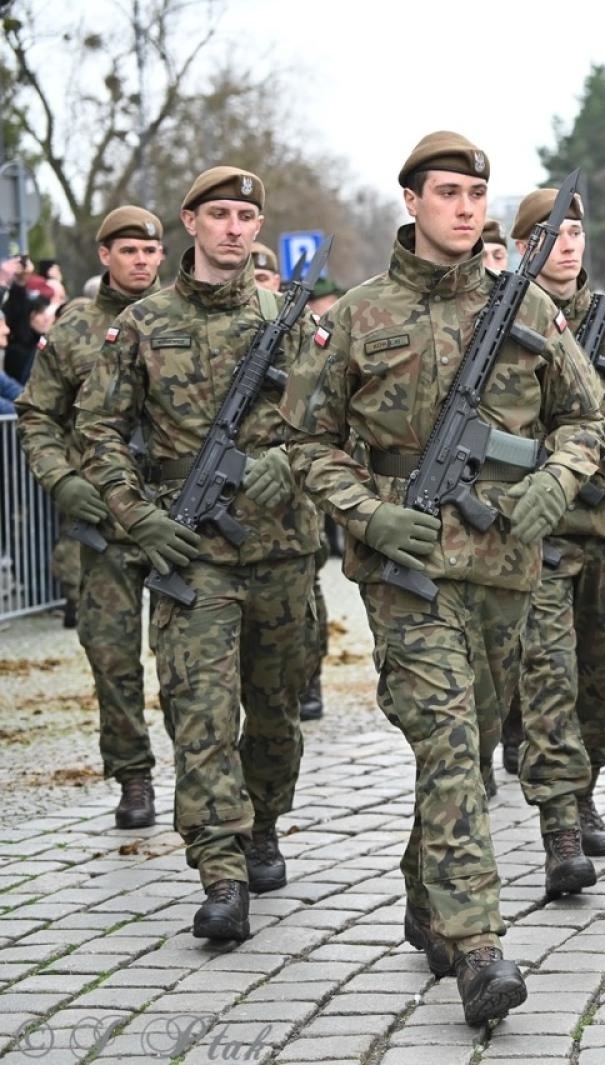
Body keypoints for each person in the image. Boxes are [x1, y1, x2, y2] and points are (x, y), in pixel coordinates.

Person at [279, 132, 605, 1026]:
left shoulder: (528, 304)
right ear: (414, 202)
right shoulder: (357, 315)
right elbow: (305, 442)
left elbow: (588, 420)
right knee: (452, 741)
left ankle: (428, 900)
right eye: (448, 192)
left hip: (503, 568)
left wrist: (552, 480)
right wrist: (368, 511)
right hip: (405, 569)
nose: (465, 207)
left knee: (467, 741)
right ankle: (480, 947)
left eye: (476, 193)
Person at [77, 167, 322, 938]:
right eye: (218, 213)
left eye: (246, 215)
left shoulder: (291, 319)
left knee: (276, 713)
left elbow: (338, 417)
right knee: (201, 716)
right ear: (190, 221)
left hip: (282, 548)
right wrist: (137, 517)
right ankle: (220, 870)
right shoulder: (143, 324)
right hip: (190, 553)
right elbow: (98, 432)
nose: (233, 228)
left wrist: (294, 463)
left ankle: (265, 822)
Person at [505, 185, 605, 880]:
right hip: (534, 527)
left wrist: (602, 432)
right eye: (550, 234)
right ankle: (559, 821)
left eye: (574, 233)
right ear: (521, 246)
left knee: (596, 674)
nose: (567, 245)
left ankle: (585, 790)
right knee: (548, 675)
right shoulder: (503, 319)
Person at [16, 206, 167, 828]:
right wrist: (61, 479)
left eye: (149, 251)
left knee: (193, 663)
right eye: (127, 250)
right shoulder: (75, 327)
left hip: (177, 522)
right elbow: (36, 415)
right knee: (111, 657)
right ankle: (133, 777)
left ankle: (209, 779)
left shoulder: (178, 318)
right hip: (103, 526)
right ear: (104, 255)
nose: (140, 261)